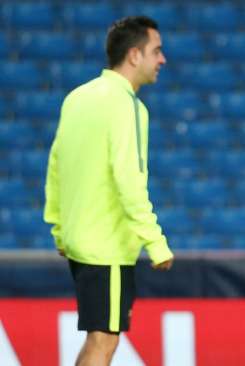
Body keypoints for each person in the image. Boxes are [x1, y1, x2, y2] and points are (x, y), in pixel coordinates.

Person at [44, 16, 173, 366]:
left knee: (98, 339)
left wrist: (58, 227)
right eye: (156, 51)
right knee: (104, 341)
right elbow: (129, 178)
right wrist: (155, 241)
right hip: (107, 246)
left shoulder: (78, 97)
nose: (162, 59)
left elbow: (57, 164)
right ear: (134, 55)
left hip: (80, 242)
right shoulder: (127, 104)